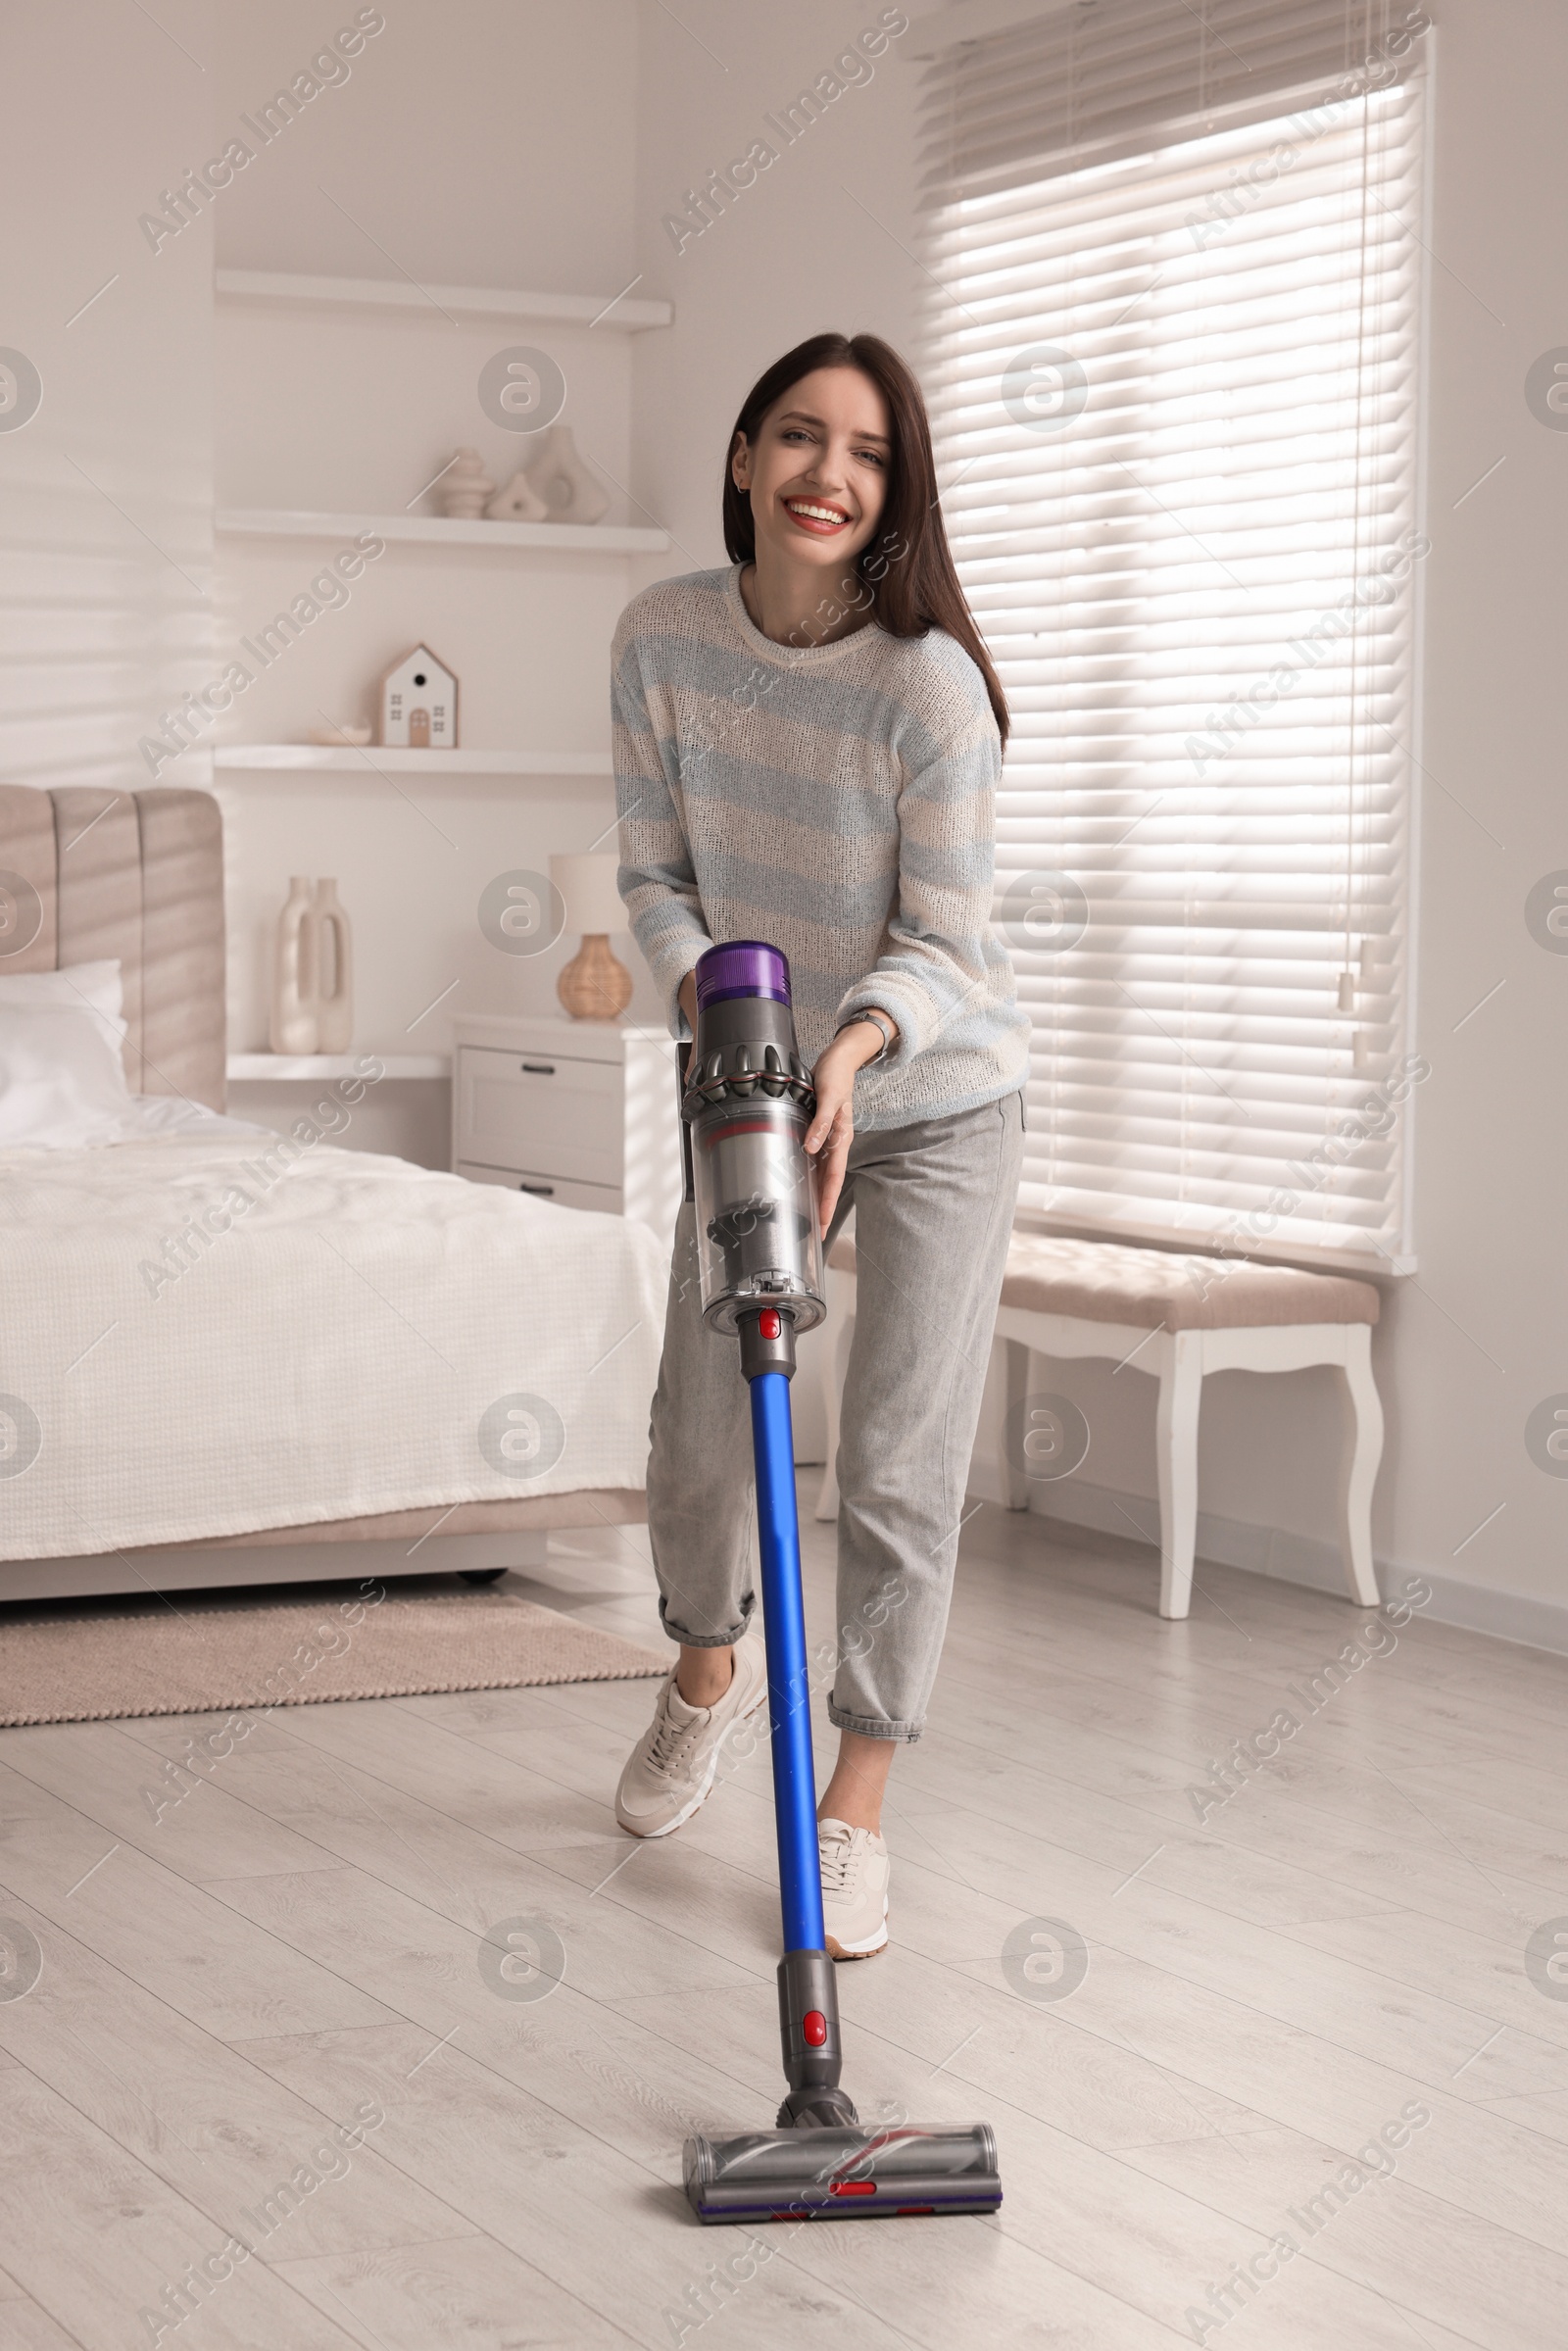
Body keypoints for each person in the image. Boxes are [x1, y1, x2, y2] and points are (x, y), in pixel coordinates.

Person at [610, 331, 1028, 1957]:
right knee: (703, 1427)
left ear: (894, 492)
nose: (826, 477)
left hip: (930, 1098)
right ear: (742, 456)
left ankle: (854, 1804)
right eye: (798, 437)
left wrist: (847, 1048)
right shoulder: (660, 640)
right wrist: (729, 1024)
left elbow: (950, 942)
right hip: (748, 1069)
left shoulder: (927, 688)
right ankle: (705, 1671)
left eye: (863, 455)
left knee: (901, 1462)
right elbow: (653, 876)